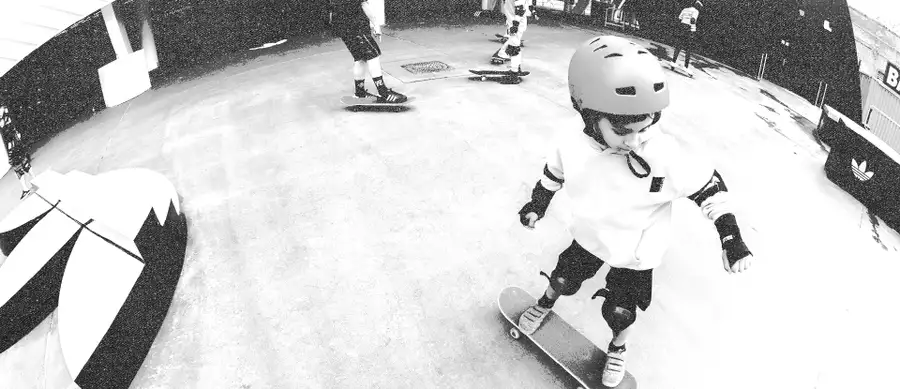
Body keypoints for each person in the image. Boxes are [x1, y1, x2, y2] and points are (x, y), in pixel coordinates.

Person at [516, 35, 753, 387]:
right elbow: (554, 175)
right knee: (564, 278)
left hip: (637, 252)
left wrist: (731, 238)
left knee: (620, 310)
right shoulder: (572, 144)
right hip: (591, 235)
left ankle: (618, 347)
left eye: (647, 126)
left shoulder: (663, 153)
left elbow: (709, 187)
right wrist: (538, 204)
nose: (636, 140)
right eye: (623, 131)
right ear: (588, 114)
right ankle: (545, 302)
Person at [328, 0, 406, 103]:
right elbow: (364, 4)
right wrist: (376, 25)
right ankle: (383, 92)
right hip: (355, 26)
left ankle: (360, 93)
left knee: (360, 58)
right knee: (373, 55)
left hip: (341, 26)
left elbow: (331, 10)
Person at [490, 0, 537, 83]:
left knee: (514, 48)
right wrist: (533, 11)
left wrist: (515, 25)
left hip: (516, 23)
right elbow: (528, 3)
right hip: (515, 22)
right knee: (514, 44)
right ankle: (516, 68)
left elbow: (520, 9)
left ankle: (514, 75)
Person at [0, 105, 35, 199]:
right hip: (13, 142)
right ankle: (30, 185)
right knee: (22, 166)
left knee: (21, 166)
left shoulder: (3, 112)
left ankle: (31, 184)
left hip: (12, 144)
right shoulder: (5, 109)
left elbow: (6, 127)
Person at [671, 0, 703, 74]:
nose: (699, 9)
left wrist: (681, 28)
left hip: (682, 27)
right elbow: (692, 20)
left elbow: (679, 19)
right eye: (699, 7)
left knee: (678, 46)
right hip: (688, 28)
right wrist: (692, 31)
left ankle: (673, 62)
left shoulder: (685, 9)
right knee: (688, 48)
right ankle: (686, 66)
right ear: (697, 6)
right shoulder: (696, 11)